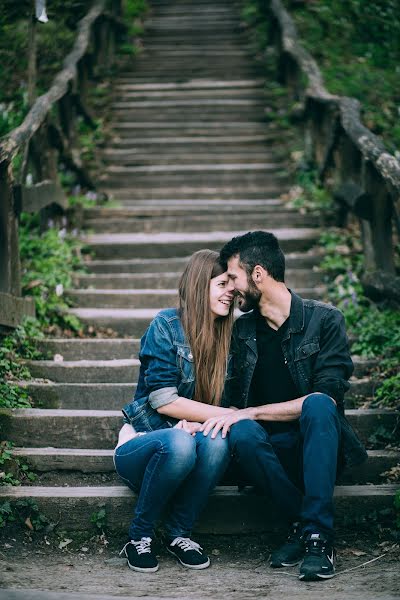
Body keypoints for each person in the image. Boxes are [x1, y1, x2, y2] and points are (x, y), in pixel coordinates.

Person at [200, 231, 367, 581]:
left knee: (319, 405)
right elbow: (231, 405)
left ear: (258, 274)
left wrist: (254, 411)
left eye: (233, 277)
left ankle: (318, 537)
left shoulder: (324, 320)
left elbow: (328, 396)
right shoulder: (241, 331)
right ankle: (305, 526)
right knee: (241, 429)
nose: (230, 288)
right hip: (267, 457)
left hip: (318, 449)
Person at [114, 249, 236, 573]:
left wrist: (204, 421)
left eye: (232, 287)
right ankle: (138, 537)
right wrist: (213, 415)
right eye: (222, 284)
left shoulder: (227, 338)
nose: (230, 293)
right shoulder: (166, 325)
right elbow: (163, 400)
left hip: (191, 452)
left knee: (217, 441)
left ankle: (178, 533)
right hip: (145, 445)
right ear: (199, 284)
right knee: (180, 443)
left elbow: (224, 410)